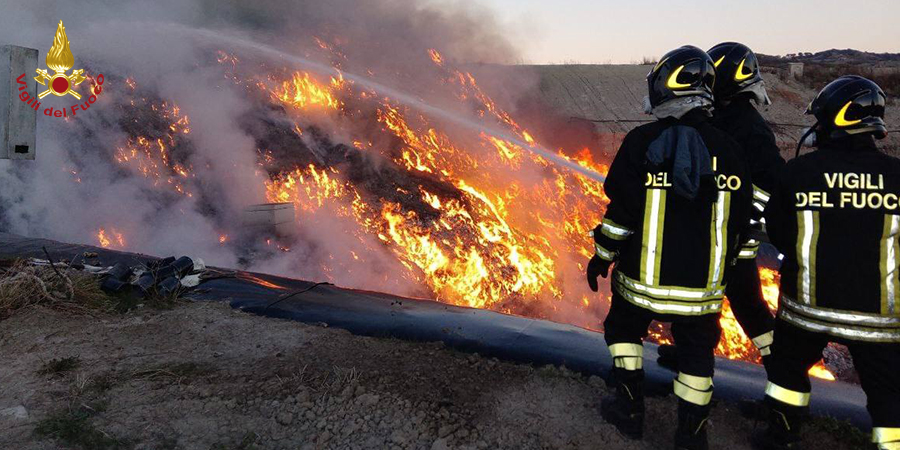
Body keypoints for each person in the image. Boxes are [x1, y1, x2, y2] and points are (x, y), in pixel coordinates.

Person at [586, 45, 753, 450]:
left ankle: (629, 410)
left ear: (666, 85)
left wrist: (602, 256)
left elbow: (620, 213)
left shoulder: (641, 142)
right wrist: (732, 272)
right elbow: (742, 221)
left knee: (623, 330)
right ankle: (691, 434)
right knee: (697, 355)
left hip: (641, 284)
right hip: (701, 294)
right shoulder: (730, 149)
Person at [756, 76, 899, 450]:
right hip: (879, 319)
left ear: (835, 120)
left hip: (808, 310)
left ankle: (781, 436)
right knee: (889, 395)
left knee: (787, 375)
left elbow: (779, 233)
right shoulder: (898, 177)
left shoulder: (799, 172)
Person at [657, 42, 783, 369]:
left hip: (733, 235)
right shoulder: (727, 118)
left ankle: (782, 371)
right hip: (718, 229)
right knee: (703, 301)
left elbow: (771, 185)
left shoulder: (747, 127)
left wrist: (741, 218)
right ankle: (692, 353)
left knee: (745, 305)